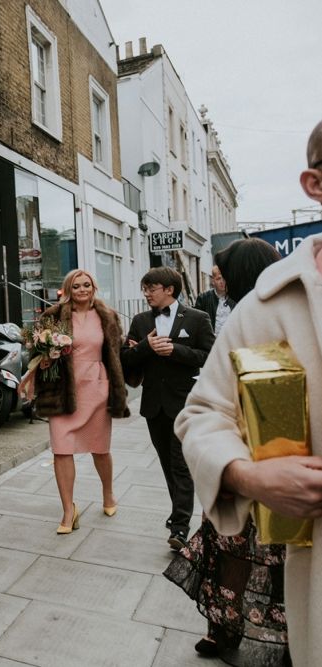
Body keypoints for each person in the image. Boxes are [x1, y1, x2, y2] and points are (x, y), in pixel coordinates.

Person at [176, 121, 322, 667]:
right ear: (314, 184)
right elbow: (206, 414)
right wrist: (248, 475)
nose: (214, 280)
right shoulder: (271, 305)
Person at [164, 239, 287, 664]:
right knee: (229, 548)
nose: (216, 279)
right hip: (232, 453)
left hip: (273, 452)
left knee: (269, 554)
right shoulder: (229, 310)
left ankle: (269, 634)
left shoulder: (273, 314)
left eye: (221, 273)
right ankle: (221, 627)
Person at [120, 266, 215, 551]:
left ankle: (180, 528)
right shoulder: (140, 321)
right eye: (145, 289)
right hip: (154, 406)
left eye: (151, 288)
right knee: (167, 464)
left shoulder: (198, 319)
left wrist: (175, 350)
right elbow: (126, 360)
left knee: (180, 465)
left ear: (169, 289)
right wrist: (146, 347)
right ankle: (179, 512)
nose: (147, 294)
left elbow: (210, 356)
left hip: (186, 403)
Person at [33, 269, 128, 533]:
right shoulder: (52, 316)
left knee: (100, 448)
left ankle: (108, 493)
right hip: (62, 389)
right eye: (77, 286)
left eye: (87, 285)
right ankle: (68, 511)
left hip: (98, 388)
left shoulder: (107, 316)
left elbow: (118, 353)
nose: (83, 290)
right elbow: (36, 353)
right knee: (61, 448)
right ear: (68, 290)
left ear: (94, 288)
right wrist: (40, 363)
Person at [194, 265, 236, 336]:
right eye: (218, 278)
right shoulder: (203, 298)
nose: (222, 282)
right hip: (211, 342)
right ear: (213, 281)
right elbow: (196, 322)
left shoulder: (236, 297)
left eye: (224, 278)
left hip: (232, 340)